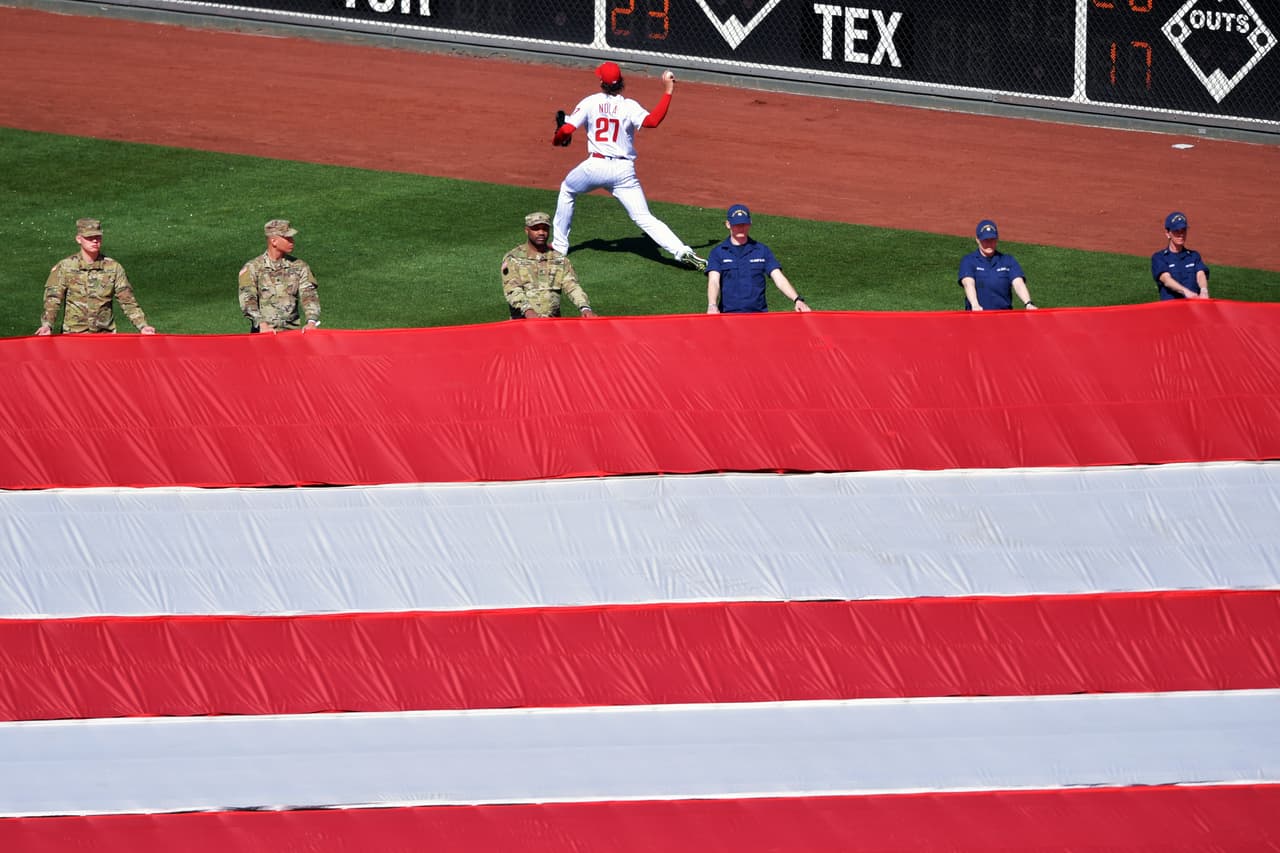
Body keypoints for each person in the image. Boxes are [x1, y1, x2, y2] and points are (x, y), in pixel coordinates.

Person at [551, 61, 705, 270]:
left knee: (567, 190)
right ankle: (683, 251)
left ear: (601, 82)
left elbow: (566, 130)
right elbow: (652, 121)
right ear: (621, 82)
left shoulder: (591, 102)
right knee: (644, 217)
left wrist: (557, 139)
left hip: (595, 166)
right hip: (624, 172)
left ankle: (560, 246)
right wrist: (668, 90)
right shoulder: (628, 105)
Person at [35, 218, 156, 335]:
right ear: (78, 239)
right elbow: (53, 299)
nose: (94, 241)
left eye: (97, 237)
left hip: (104, 336)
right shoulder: (65, 267)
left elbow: (127, 301)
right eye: (89, 238)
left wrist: (143, 326)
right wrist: (47, 325)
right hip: (73, 336)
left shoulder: (113, 268)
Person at [706, 205, 811, 314]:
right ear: (728, 224)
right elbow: (714, 281)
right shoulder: (718, 252)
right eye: (737, 224)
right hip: (728, 315)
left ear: (750, 223)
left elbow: (778, 277)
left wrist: (797, 299)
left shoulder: (762, 250)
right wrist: (712, 305)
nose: (741, 227)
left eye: (744, 224)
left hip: (758, 316)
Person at [501, 211, 597, 319]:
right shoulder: (513, 258)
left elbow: (572, 286)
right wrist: (528, 311)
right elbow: (512, 289)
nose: (541, 232)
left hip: (552, 324)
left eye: (545, 229)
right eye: (536, 229)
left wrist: (585, 308)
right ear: (527, 231)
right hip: (523, 323)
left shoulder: (559, 259)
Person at [238, 219, 321, 333]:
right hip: (264, 334)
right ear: (274, 241)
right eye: (287, 238)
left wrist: (311, 322)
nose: (292, 241)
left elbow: (309, 295)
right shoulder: (253, 267)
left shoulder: (300, 266)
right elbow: (248, 300)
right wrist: (261, 324)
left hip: (292, 335)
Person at [957, 219, 1038, 311]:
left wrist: (1028, 303)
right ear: (977, 240)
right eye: (985, 240)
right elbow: (968, 284)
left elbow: (1018, 283)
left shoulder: (1008, 260)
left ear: (997, 239)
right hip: (978, 315)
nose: (989, 243)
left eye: (992, 239)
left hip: (1003, 317)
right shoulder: (969, 260)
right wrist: (975, 305)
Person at [1152, 211, 1209, 300]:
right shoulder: (1159, 258)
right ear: (1167, 233)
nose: (1181, 234)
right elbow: (1166, 280)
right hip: (1171, 309)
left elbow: (1200, 274)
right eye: (1176, 231)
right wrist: (1185, 291)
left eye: (1183, 230)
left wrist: (1204, 290)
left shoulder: (1194, 256)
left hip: (1193, 307)